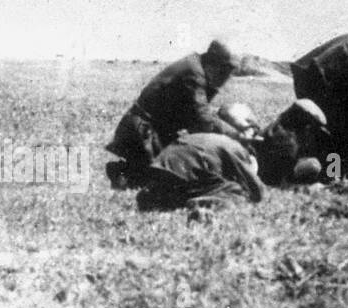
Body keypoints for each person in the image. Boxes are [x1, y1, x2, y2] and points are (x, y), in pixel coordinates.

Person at [106, 39, 248, 188]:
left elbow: (196, 117)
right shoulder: (194, 73)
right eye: (226, 70)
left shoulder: (197, 67)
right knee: (166, 181)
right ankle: (124, 173)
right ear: (214, 63)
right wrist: (236, 135)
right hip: (144, 133)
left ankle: (129, 172)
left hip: (154, 131)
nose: (227, 76)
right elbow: (203, 120)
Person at [135, 132, 265, 213]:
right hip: (185, 170)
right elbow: (255, 189)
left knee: (176, 187)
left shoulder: (216, 139)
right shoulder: (238, 151)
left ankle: (153, 195)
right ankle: (202, 202)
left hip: (160, 165)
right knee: (235, 190)